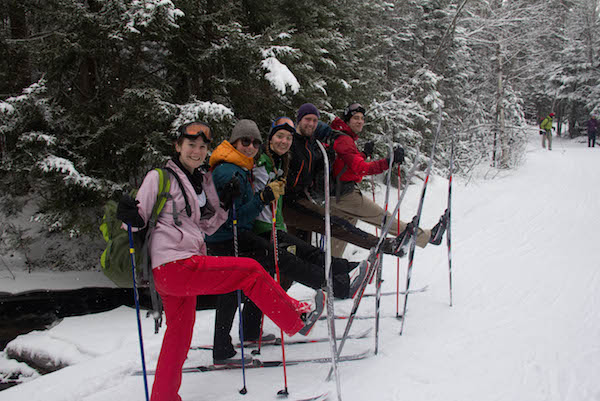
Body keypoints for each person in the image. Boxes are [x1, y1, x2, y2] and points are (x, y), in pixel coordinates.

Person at [116, 121, 324, 401]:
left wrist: (223, 203)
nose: (197, 151)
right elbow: (135, 224)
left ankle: (163, 397)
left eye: (202, 147)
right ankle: (296, 318)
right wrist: (128, 215)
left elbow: (207, 226)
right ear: (178, 146)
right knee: (249, 270)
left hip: (180, 267)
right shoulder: (159, 177)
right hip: (173, 264)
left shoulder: (199, 180)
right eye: (191, 145)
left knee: (178, 335)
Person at [205, 119, 358, 366]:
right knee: (278, 261)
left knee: (244, 284)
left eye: (254, 142)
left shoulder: (240, 166)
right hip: (230, 237)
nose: (251, 146)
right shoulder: (228, 171)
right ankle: (331, 283)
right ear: (234, 142)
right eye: (245, 141)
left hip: (237, 235)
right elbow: (233, 219)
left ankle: (241, 337)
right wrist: (263, 197)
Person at [285, 103, 448, 258]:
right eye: (356, 117)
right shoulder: (343, 139)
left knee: (341, 232)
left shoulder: (341, 136)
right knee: (383, 218)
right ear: (347, 120)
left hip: (335, 195)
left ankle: (329, 270)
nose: (360, 121)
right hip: (345, 196)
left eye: (362, 118)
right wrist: (387, 162)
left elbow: (345, 164)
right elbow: (360, 168)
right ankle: (426, 237)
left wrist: (363, 154)